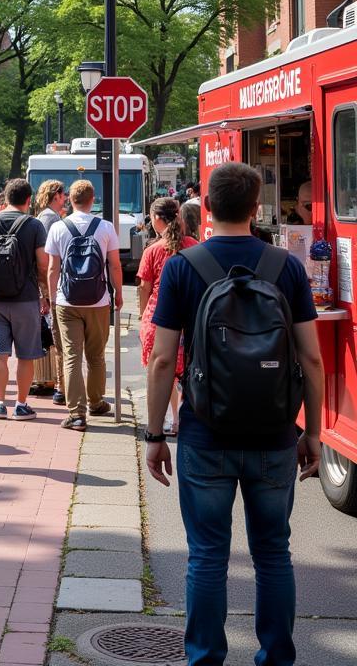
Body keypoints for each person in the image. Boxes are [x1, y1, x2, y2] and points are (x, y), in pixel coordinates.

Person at [146, 162, 324, 666]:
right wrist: (311, 431)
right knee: (273, 554)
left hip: (206, 432)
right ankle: (275, 658)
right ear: (255, 208)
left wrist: (155, 434)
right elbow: (310, 357)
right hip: (273, 435)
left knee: (206, 557)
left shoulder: (184, 265)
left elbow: (163, 359)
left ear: (205, 206)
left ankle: (204, 658)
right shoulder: (284, 267)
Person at [45, 179, 122, 431]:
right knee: (96, 355)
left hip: (67, 301)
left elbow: (53, 268)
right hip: (99, 300)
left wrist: (53, 297)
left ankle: (76, 414)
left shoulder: (58, 228)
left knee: (71, 356)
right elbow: (114, 265)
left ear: (70, 200)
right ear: (92, 199)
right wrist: (118, 292)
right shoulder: (106, 227)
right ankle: (97, 401)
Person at [0, 178, 48, 421]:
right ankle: (21, 405)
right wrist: (44, 293)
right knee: (26, 355)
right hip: (26, 299)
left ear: (4, 198)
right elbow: (43, 264)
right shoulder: (35, 226)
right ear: (28, 199)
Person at [137, 197, 196, 436]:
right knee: (189, 370)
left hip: (158, 319)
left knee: (163, 373)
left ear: (157, 220)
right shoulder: (194, 246)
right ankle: (182, 417)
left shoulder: (152, 251)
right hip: (190, 318)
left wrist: (142, 314)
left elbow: (144, 287)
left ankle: (169, 420)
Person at [34, 179, 67, 405]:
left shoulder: (46, 217)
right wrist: (45, 294)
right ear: (56, 195)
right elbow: (44, 262)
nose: (65, 198)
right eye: (63, 194)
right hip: (50, 288)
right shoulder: (49, 219)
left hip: (47, 287)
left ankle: (54, 381)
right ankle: (56, 384)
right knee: (56, 337)